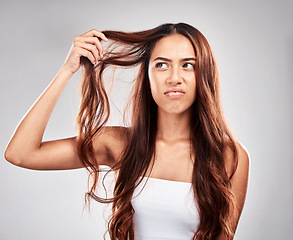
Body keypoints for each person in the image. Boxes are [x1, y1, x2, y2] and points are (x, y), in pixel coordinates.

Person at [5, 23, 249, 240]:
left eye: (188, 65)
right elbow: (21, 153)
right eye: (162, 65)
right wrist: (67, 70)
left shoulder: (230, 156)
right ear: (148, 76)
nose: (175, 78)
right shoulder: (118, 143)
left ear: (204, 75)